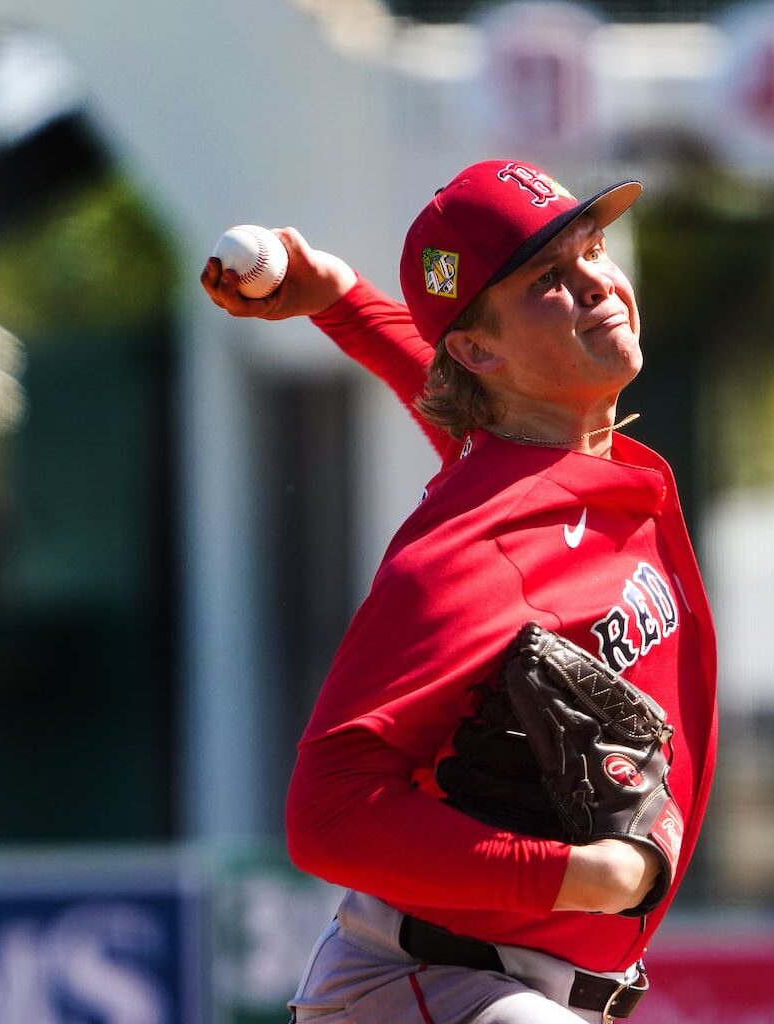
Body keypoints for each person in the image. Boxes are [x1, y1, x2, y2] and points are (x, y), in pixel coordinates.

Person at [201, 159, 718, 1024]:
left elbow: (459, 390)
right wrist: (582, 876)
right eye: (549, 279)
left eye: (592, 248)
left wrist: (339, 299)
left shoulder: (548, 467)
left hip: (507, 988)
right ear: (479, 352)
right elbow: (326, 814)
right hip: (438, 986)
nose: (595, 282)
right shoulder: (470, 550)